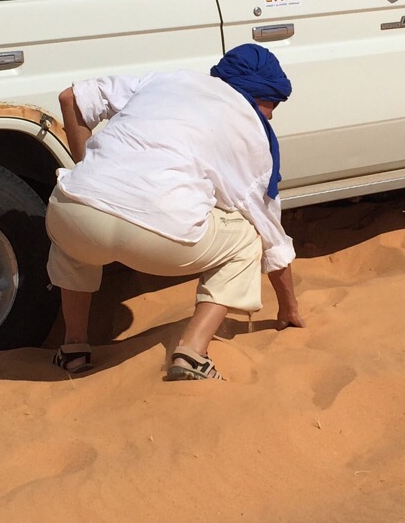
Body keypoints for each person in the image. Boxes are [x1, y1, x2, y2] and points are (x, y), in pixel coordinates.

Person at [44, 44, 305, 380]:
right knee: (248, 238)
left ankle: (73, 348)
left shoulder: (170, 78)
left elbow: (71, 98)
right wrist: (288, 306)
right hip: (157, 235)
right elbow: (269, 230)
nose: (271, 116)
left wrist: (91, 173)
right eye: (272, 104)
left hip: (74, 211)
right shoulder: (252, 132)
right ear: (257, 95)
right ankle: (193, 353)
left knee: (73, 229)